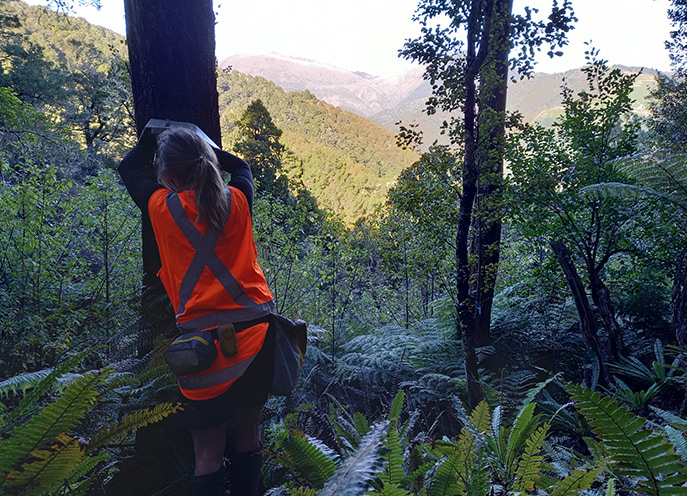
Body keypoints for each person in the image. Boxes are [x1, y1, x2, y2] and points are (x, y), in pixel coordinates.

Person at [118, 124, 276, 496]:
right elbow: (242, 168)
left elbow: (128, 169)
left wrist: (148, 139)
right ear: (207, 162)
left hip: (201, 348)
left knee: (207, 453)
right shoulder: (237, 200)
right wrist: (207, 146)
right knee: (248, 437)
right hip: (257, 336)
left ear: (168, 175)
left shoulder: (161, 207)